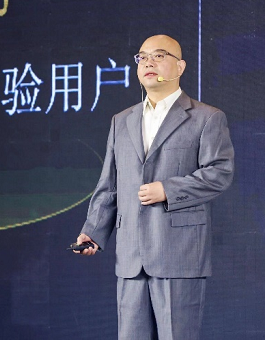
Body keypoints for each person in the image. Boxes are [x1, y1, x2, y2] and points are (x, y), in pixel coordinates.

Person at [75, 35, 234, 339]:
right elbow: (110, 184)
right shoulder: (121, 121)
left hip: (179, 254)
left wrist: (168, 190)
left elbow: (220, 173)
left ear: (180, 67)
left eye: (159, 55)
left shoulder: (206, 117)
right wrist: (93, 231)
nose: (148, 62)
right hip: (131, 256)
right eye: (142, 57)